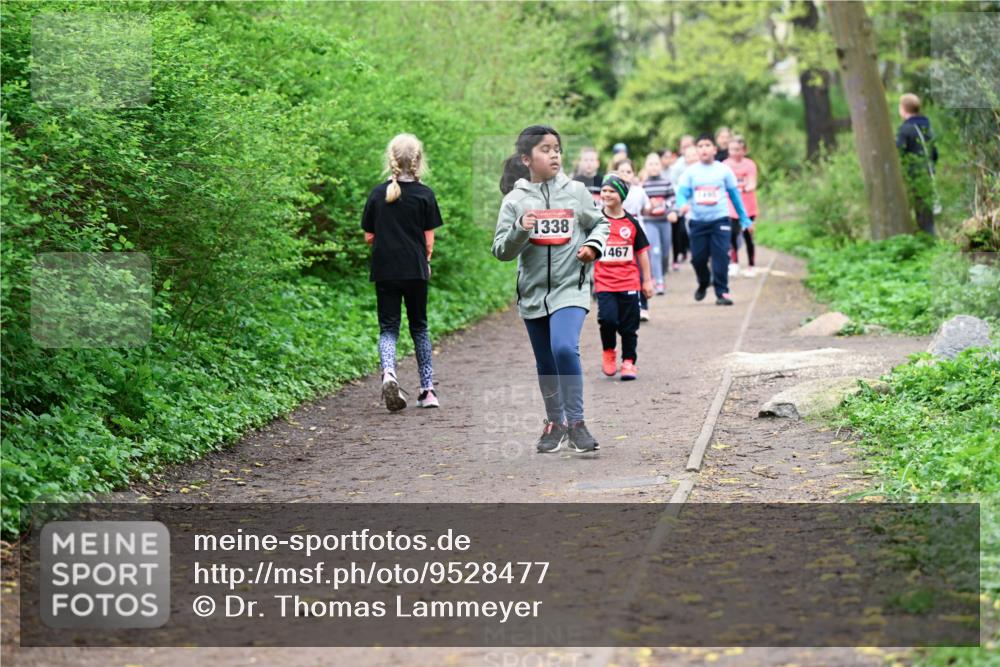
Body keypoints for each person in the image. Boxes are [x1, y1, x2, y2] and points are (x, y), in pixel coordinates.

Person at [493, 125, 610, 454]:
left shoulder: (576, 192)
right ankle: (555, 423)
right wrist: (520, 228)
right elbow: (501, 250)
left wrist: (593, 246)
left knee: (563, 348)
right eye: (545, 149)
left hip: (570, 287)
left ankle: (577, 423)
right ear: (526, 159)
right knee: (545, 361)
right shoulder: (515, 201)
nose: (554, 154)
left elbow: (601, 223)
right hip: (533, 294)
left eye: (557, 148)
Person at [362, 133, 442, 411]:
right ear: (418, 160)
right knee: (419, 327)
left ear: (391, 159)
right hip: (415, 269)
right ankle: (427, 391)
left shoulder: (377, 194)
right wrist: (425, 259)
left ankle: (389, 373)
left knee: (388, 328)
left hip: (385, 269)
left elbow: (369, 236)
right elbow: (428, 240)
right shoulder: (425, 195)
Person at [671, 134, 751, 306]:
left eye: (707, 145)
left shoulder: (723, 170)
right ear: (696, 150)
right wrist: (682, 204)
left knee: (721, 255)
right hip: (698, 221)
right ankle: (703, 281)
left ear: (714, 149)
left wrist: (744, 219)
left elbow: (735, 197)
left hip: (720, 220)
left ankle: (722, 292)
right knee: (698, 259)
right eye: (700, 146)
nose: (704, 149)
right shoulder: (690, 172)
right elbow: (682, 194)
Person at [594, 174, 655, 381]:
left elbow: (642, 253)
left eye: (611, 191)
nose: (606, 194)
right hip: (604, 281)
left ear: (621, 195)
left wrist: (647, 281)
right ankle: (608, 351)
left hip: (629, 281)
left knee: (629, 325)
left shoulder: (632, 223)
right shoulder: (596, 221)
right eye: (604, 190)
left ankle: (629, 361)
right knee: (607, 319)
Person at [612, 158, 652, 321]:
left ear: (633, 173)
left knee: (639, 270)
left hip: (637, 233)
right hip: (617, 236)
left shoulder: (639, 191)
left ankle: (643, 306)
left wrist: (650, 208)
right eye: (621, 171)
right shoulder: (611, 192)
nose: (625, 175)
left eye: (628, 171)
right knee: (621, 270)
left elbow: (646, 208)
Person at [896, 93, 939, 236]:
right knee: (926, 211)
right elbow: (934, 153)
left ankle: (926, 240)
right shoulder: (927, 126)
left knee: (917, 211)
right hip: (929, 173)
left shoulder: (905, 129)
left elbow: (899, 152)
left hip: (912, 175)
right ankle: (929, 237)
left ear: (903, 109)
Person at [724, 135, 759, 278]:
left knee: (748, 236)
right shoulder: (725, 165)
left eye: (737, 149)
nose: (734, 152)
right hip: (731, 207)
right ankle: (734, 263)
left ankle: (751, 265)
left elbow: (752, 182)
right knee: (732, 235)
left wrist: (745, 188)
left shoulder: (750, 165)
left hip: (748, 207)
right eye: (732, 149)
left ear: (744, 150)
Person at [641, 153, 674, 295]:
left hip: (665, 221)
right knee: (655, 251)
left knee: (665, 251)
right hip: (650, 222)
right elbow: (641, 203)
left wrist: (665, 206)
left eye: (656, 164)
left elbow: (672, 198)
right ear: (646, 167)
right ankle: (658, 281)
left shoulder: (666, 183)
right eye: (651, 164)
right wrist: (648, 206)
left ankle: (662, 273)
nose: (653, 167)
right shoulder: (643, 185)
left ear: (660, 166)